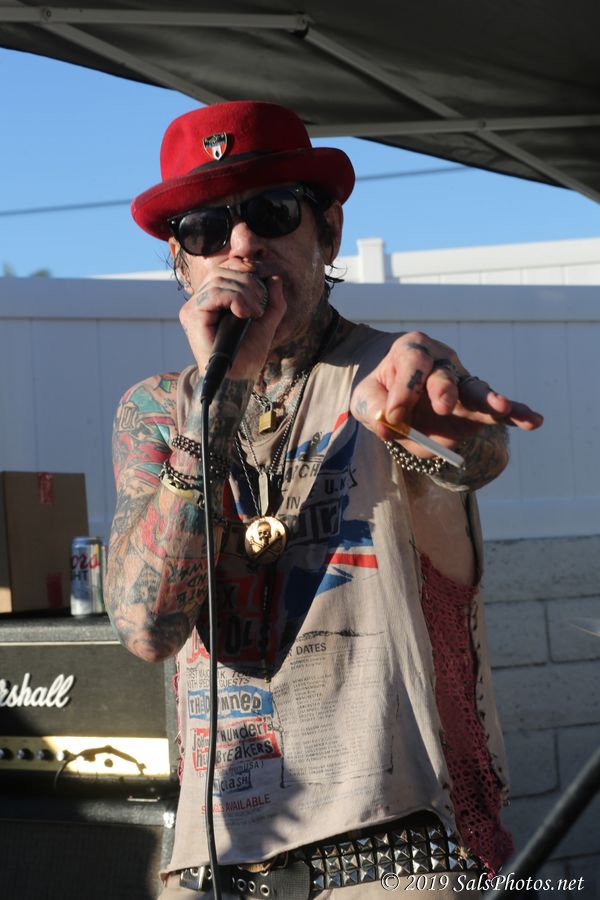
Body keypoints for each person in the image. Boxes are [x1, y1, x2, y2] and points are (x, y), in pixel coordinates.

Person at [105, 100, 543, 900]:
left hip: (392, 852)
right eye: (206, 229)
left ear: (328, 232)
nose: (243, 245)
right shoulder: (157, 411)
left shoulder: (384, 372)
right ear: (181, 261)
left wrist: (438, 423)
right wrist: (220, 401)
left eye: (273, 213)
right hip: (214, 865)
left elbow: (471, 455)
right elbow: (148, 626)